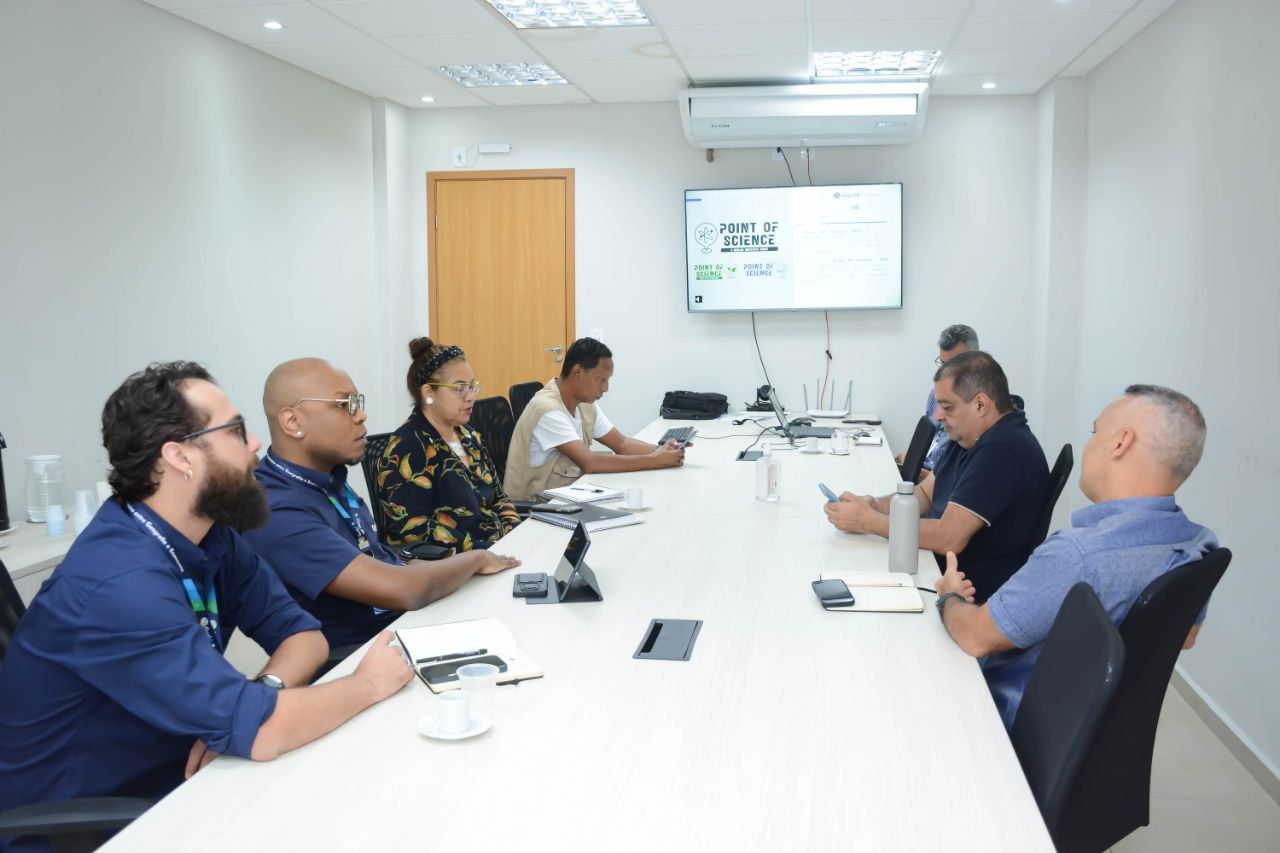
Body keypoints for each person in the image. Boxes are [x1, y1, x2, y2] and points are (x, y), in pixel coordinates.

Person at [0, 363, 413, 847]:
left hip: (190, 779)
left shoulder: (211, 534)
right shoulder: (120, 584)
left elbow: (304, 636)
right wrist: (368, 684)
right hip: (93, 825)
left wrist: (264, 692)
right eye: (235, 431)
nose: (254, 443)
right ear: (179, 457)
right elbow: (265, 732)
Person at [933, 385, 1217, 729]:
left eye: (1095, 432)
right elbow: (1184, 636)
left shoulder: (1077, 556)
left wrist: (950, 595)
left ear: (1120, 442)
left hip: (1006, 722)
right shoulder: (1198, 544)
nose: (1089, 444)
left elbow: (974, 637)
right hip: (1091, 731)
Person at [244, 358, 519, 652]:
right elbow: (403, 589)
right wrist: (476, 559)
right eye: (344, 404)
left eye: (358, 403)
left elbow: (386, 560)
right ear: (292, 421)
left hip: (400, 625)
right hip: (359, 655)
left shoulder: (327, 479)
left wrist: (457, 569)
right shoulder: (277, 509)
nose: (361, 415)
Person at [825, 351, 1049, 602]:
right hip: (935, 570)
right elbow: (924, 494)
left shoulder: (1003, 450)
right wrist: (873, 504)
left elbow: (948, 537)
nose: (938, 416)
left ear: (980, 405)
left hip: (966, 595)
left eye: (947, 407)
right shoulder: (968, 436)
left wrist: (867, 521)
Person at [376, 338, 521, 551]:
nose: (471, 397)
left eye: (472, 387)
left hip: (496, 550)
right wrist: (484, 550)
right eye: (459, 388)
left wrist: (515, 535)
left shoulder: (470, 436)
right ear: (428, 393)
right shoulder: (408, 447)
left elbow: (499, 497)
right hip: (454, 561)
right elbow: (414, 529)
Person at [504, 337, 686, 501]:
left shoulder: (584, 404)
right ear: (577, 372)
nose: (606, 388)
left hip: (567, 496)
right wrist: (656, 460)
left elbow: (621, 443)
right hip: (536, 508)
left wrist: (662, 451)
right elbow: (590, 462)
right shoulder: (547, 410)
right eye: (601, 380)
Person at [896, 324, 979, 476]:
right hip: (924, 471)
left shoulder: (976, 409)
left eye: (953, 366)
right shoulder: (935, 394)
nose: (944, 373)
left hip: (937, 480)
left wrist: (921, 474)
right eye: (942, 364)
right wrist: (912, 461)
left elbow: (957, 478)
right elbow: (930, 441)